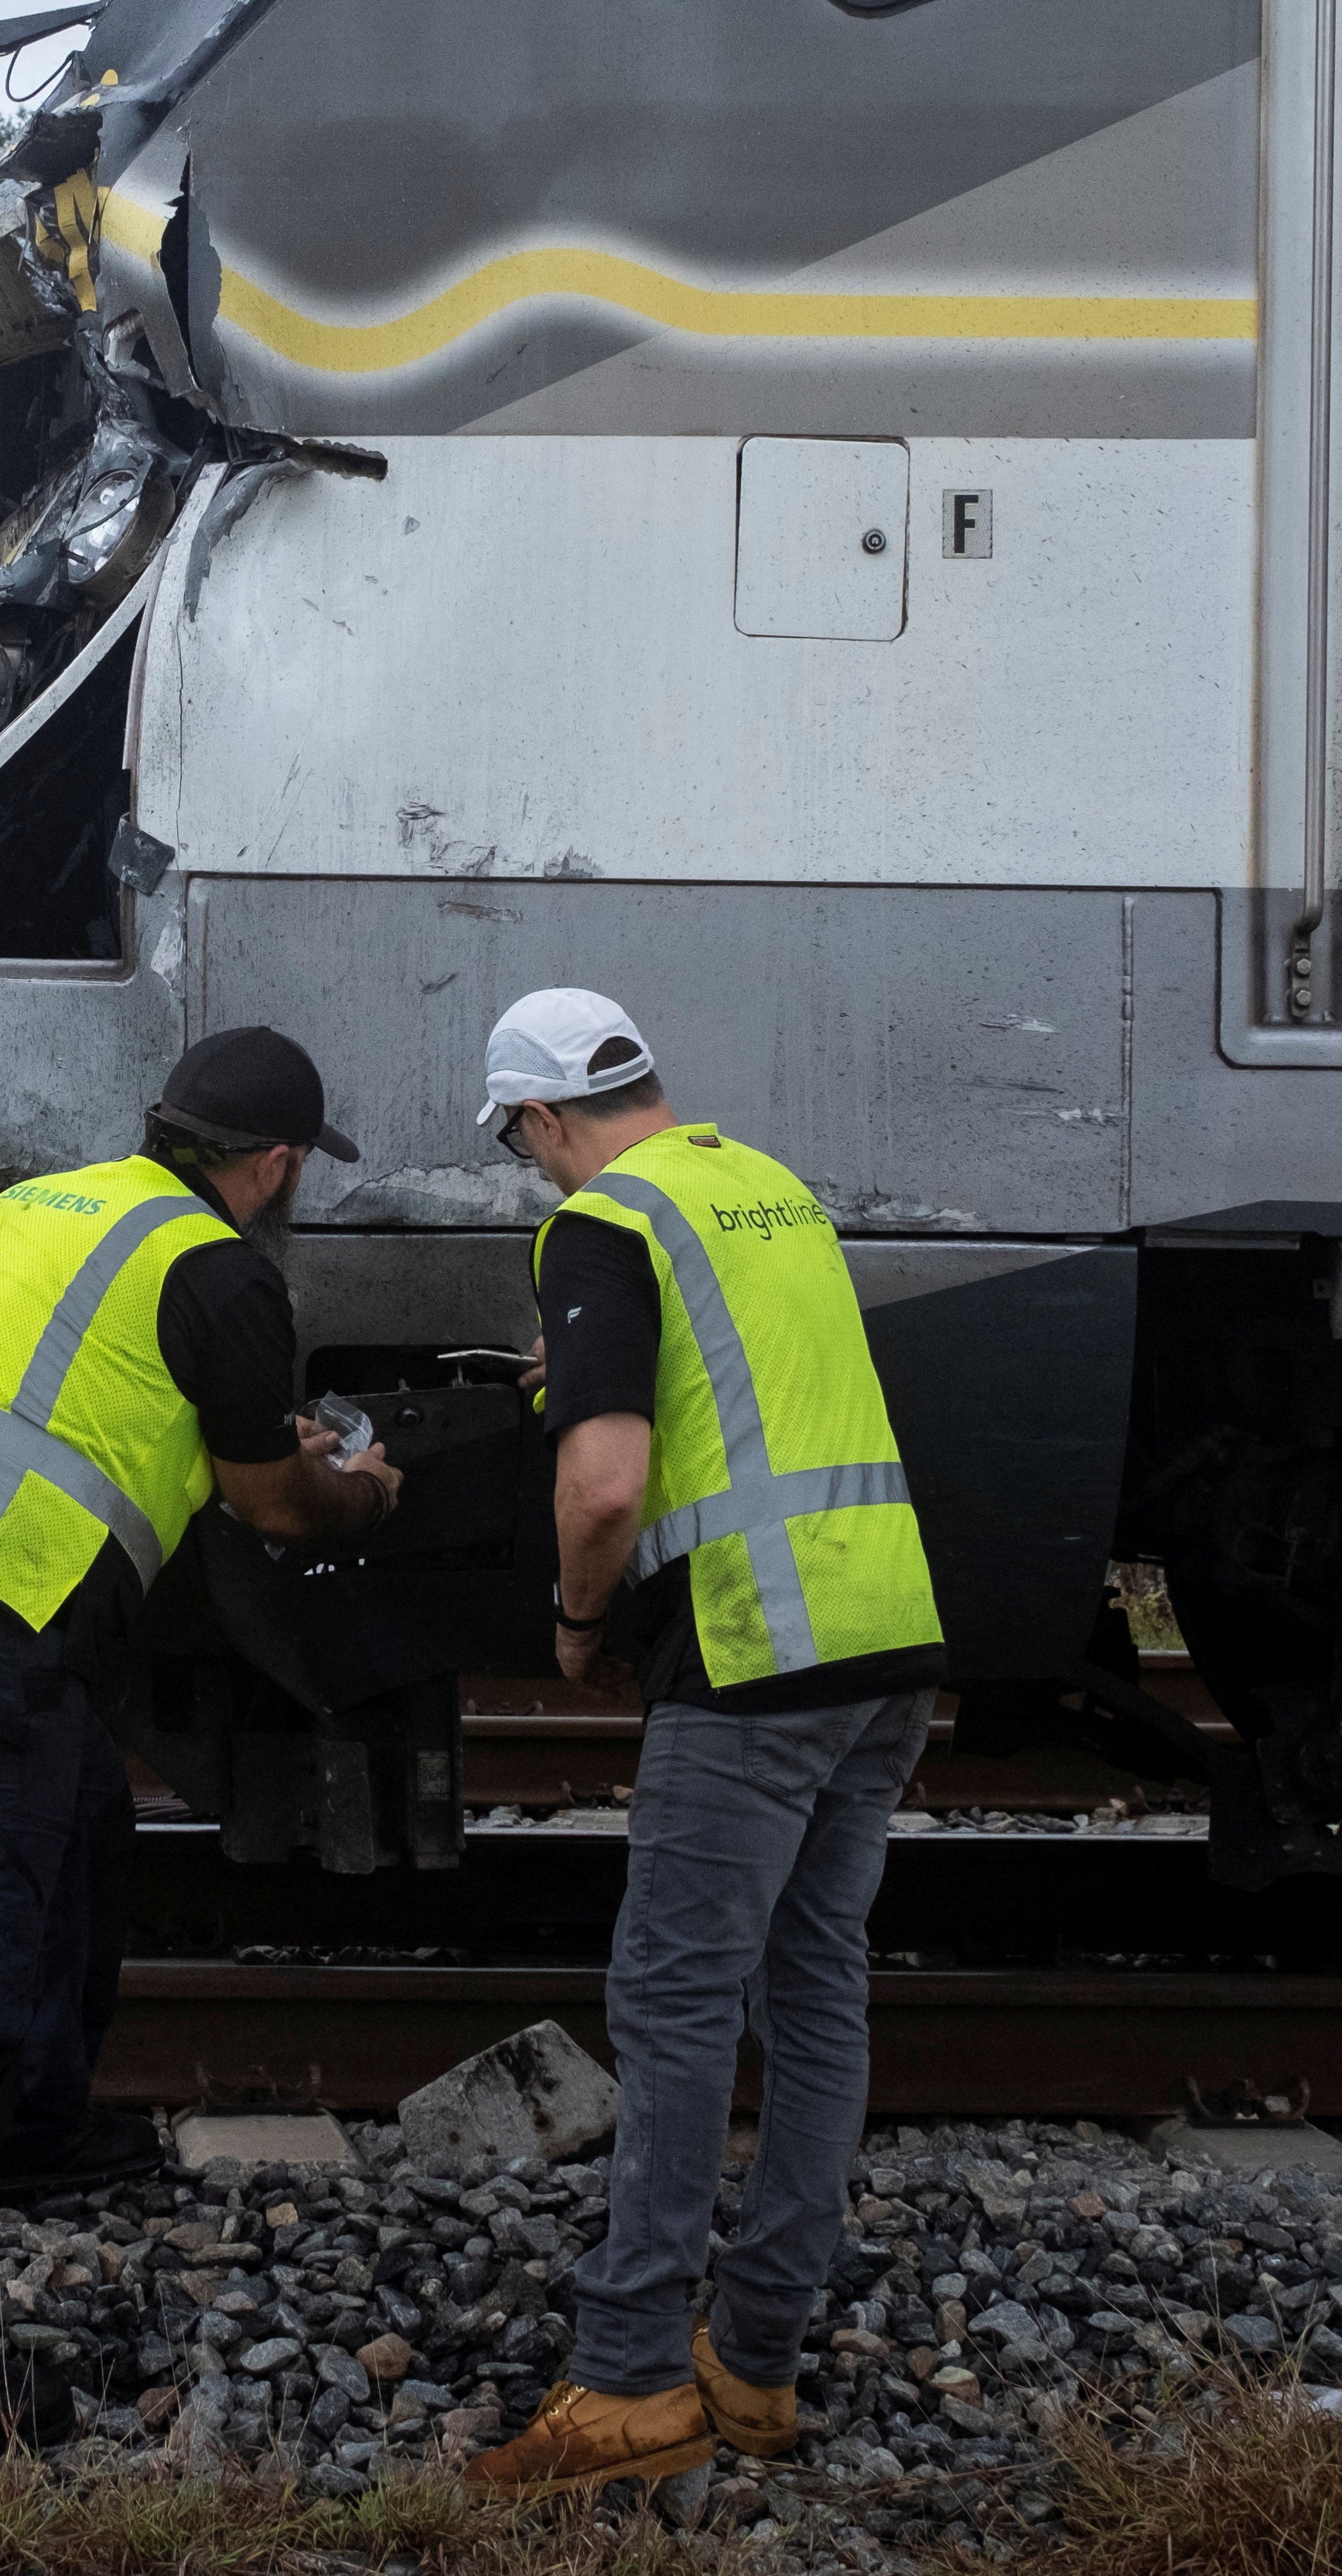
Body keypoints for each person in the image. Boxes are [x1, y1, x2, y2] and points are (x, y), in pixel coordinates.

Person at [0, 1026, 403, 2451]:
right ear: (275, 1164)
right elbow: (275, 1511)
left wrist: (247, 1441)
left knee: (81, 1830)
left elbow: (67, 1395)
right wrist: (362, 1488)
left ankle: (37, 2134)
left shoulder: (37, 1204)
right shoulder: (223, 1268)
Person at [459, 989, 949, 2506]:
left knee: (672, 2006)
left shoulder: (602, 1223)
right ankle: (756, 2360)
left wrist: (577, 1623)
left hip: (758, 1650)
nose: (536, 1171)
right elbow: (756, 1394)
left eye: (523, 1144)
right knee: (815, 1993)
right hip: (887, 1638)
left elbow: (606, 1485)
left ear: (543, 1120)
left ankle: (627, 2382)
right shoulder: (762, 1184)